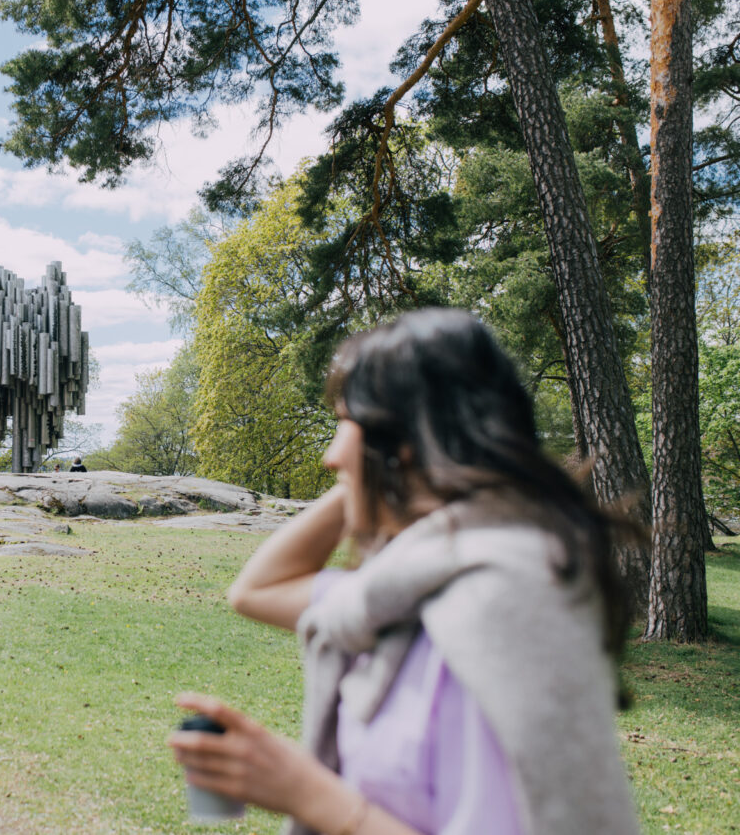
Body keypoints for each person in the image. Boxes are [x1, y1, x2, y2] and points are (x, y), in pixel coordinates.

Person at [169, 309, 639, 835]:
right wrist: (366, 473)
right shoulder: (412, 590)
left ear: (407, 439)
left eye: (346, 424)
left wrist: (304, 792)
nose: (330, 456)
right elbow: (256, 590)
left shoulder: (500, 607)